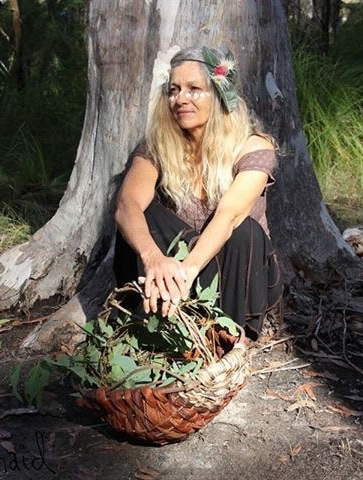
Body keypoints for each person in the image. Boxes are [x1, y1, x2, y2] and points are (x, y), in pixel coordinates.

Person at [114, 46, 282, 340]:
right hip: (167, 272)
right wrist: (154, 258)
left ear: (219, 95)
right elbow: (127, 205)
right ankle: (158, 320)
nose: (181, 99)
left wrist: (186, 271)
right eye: (174, 90)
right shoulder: (156, 146)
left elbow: (229, 217)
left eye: (194, 89)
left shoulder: (254, 146)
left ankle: (226, 336)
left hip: (232, 274)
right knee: (144, 212)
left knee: (246, 230)